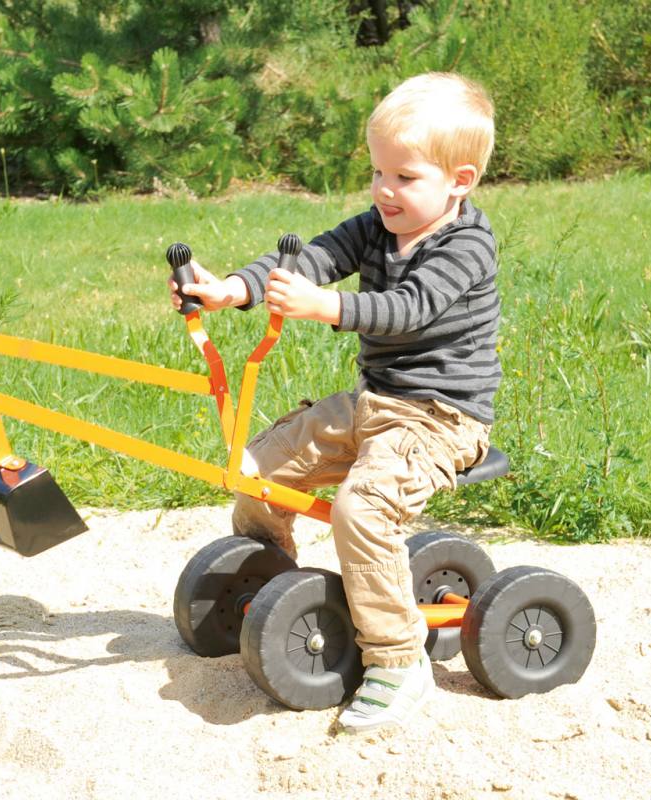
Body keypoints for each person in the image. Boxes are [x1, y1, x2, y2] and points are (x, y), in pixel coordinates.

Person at [168, 72, 501, 733]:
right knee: (256, 468)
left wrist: (326, 308)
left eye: (405, 177)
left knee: (362, 510)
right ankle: (266, 584)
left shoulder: (467, 245)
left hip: (439, 419)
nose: (384, 190)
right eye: (378, 172)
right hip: (374, 403)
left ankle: (398, 660)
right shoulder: (378, 225)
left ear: (459, 181)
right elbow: (316, 257)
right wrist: (237, 288)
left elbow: (407, 311)